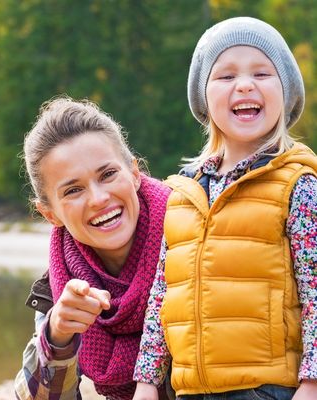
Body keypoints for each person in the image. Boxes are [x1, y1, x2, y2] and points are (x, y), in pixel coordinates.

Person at [132, 16, 317, 400]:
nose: (245, 84)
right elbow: (162, 296)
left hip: (265, 389)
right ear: (204, 98)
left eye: (262, 73)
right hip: (191, 390)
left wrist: (312, 384)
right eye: (227, 76)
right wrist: (147, 383)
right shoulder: (183, 195)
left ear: (285, 93)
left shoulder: (298, 185)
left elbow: (315, 291)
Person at [14, 96, 172, 400]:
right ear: (50, 214)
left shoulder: (196, 237)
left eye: (108, 174)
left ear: (135, 174)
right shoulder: (62, 283)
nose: (98, 198)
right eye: (73, 190)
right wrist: (57, 335)